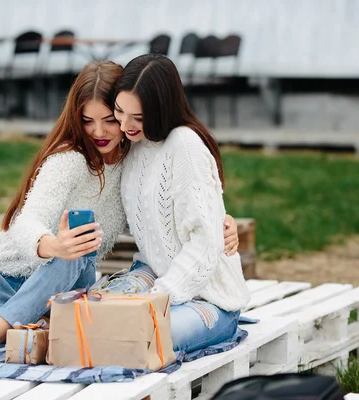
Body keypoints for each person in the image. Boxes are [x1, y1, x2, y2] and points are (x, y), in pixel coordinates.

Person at [0, 60, 240, 364]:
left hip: (64, 289)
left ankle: (8, 336)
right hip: (0, 286)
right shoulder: (70, 160)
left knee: (82, 250)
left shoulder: (137, 157)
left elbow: (170, 208)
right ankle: (31, 333)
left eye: (110, 120)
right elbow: (25, 221)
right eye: (88, 121)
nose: (100, 132)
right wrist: (51, 245)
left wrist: (218, 223)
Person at [109, 54, 251, 353]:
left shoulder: (184, 146)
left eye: (138, 117)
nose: (125, 125)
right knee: (96, 316)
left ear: (161, 109)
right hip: (156, 277)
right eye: (120, 112)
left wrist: (159, 298)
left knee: (139, 338)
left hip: (208, 298)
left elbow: (204, 243)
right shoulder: (135, 146)